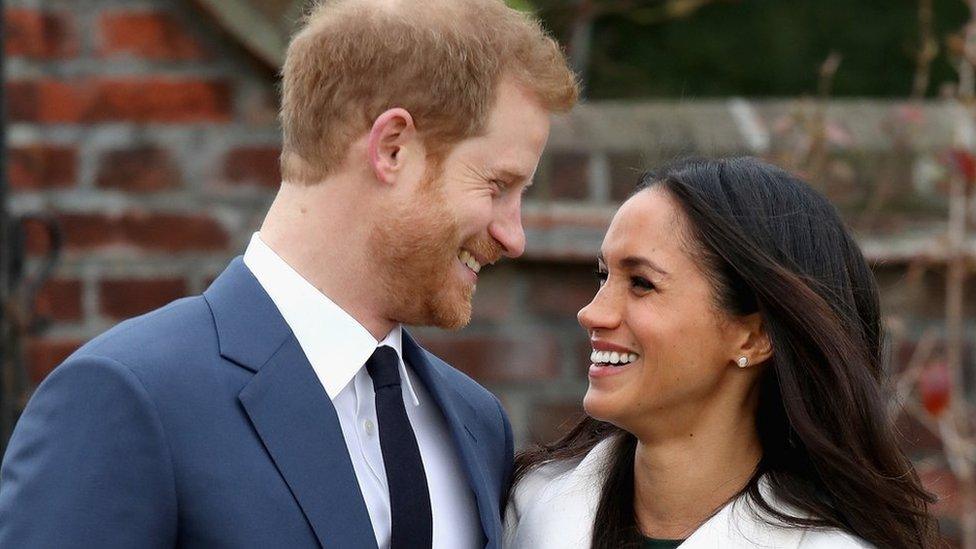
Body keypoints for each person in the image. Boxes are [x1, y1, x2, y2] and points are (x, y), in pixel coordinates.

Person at [0, 1, 577, 547]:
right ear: (393, 148)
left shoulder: (477, 425)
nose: (514, 235)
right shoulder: (128, 397)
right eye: (497, 187)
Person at [505, 157, 939, 548]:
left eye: (641, 283)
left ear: (753, 337)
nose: (591, 313)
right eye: (603, 276)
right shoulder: (525, 509)